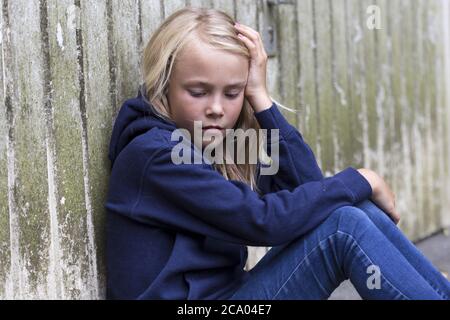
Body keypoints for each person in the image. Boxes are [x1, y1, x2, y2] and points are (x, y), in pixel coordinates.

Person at [104, 7, 450, 300]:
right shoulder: (156, 155)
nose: (215, 108)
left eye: (232, 92)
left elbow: (309, 188)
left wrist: (261, 98)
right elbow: (264, 220)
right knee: (343, 227)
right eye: (198, 91)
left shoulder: (217, 142)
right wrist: (362, 178)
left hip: (236, 296)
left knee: (351, 210)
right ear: (163, 85)